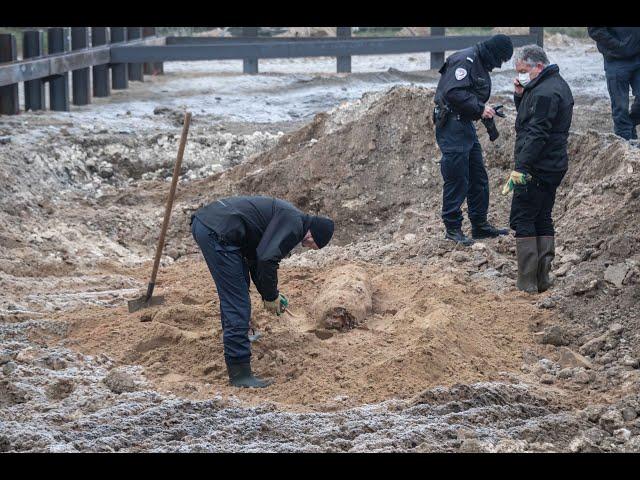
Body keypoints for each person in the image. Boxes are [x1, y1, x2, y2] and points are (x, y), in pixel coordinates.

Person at [191, 196, 334, 388]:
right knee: (236, 300)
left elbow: (256, 258)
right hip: (218, 231)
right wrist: (270, 296)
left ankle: (240, 336)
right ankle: (240, 373)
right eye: (310, 243)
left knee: (239, 289)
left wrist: (270, 293)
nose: (306, 245)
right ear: (312, 233)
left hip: (213, 224)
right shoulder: (294, 224)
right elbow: (267, 259)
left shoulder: (291, 219)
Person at [503, 45, 574, 293]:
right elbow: (529, 118)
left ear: (538, 66)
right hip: (552, 164)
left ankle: (527, 282)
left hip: (538, 166)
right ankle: (542, 278)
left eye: (523, 70)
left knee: (523, 218)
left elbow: (537, 132)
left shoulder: (545, 93)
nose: (521, 74)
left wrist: (521, 167)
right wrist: (520, 94)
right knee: (542, 216)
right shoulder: (552, 85)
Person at [433, 34, 514, 246]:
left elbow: (467, 95)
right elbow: (453, 93)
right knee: (457, 177)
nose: (499, 65)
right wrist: (480, 108)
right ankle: (453, 229)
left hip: (464, 125)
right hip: (452, 126)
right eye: (501, 60)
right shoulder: (466, 60)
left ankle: (479, 225)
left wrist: (483, 110)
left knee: (478, 177)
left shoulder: (479, 61)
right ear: (494, 53)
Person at [587, 27, 640, 141]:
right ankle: (625, 146)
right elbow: (595, 30)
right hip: (616, 60)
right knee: (620, 107)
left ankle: (630, 124)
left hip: (638, 55)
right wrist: (618, 46)